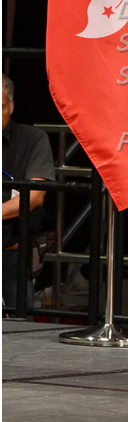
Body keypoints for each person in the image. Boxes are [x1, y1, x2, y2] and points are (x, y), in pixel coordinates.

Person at [2, 74, 56, 310]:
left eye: (0, 106)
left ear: (11, 106)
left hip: (11, 256)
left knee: (19, 325)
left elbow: (35, 196)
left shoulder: (32, 138)